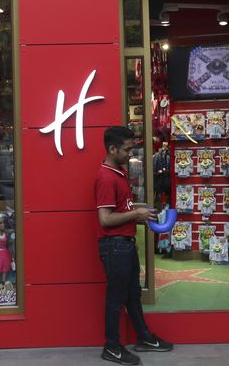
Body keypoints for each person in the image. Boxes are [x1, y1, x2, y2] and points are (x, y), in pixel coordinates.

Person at [95, 126, 173, 365]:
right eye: (127, 150)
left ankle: (144, 337)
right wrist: (135, 215)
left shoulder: (119, 173)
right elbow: (105, 219)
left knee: (132, 295)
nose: (130, 154)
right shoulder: (106, 177)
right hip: (114, 246)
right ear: (112, 149)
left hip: (124, 245)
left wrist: (139, 212)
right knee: (116, 297)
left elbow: (120, 210)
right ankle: (112, 346)